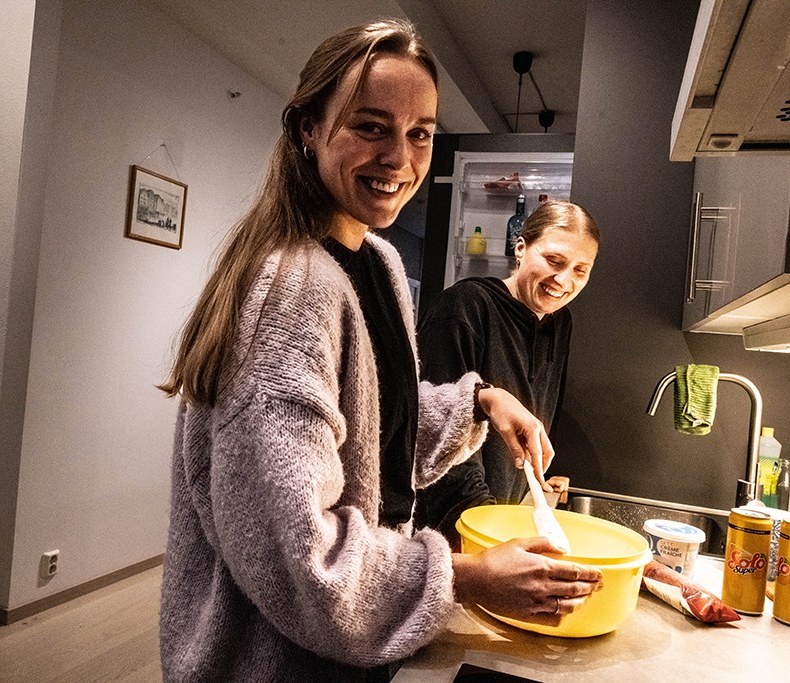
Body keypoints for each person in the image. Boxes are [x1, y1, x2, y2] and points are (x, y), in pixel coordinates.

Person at [157, 20, 602, 683]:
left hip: (347, 651)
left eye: (419, 133)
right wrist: (466, 576)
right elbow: (299, 552)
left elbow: (370, 427)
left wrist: (481, 400)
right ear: (310, 128)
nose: (401, 156)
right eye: (371, 126)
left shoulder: (379, 263)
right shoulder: (292, 292)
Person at [414, 199, 600, 541]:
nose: (563, 280)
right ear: (521, 249)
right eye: (554, 260)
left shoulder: (559, 323)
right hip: (448, 534)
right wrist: (488, 534)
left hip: (502, 521)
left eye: (580, 270)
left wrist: (540, 487)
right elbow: (439, 439)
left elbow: (540, 415)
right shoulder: (464, 307)